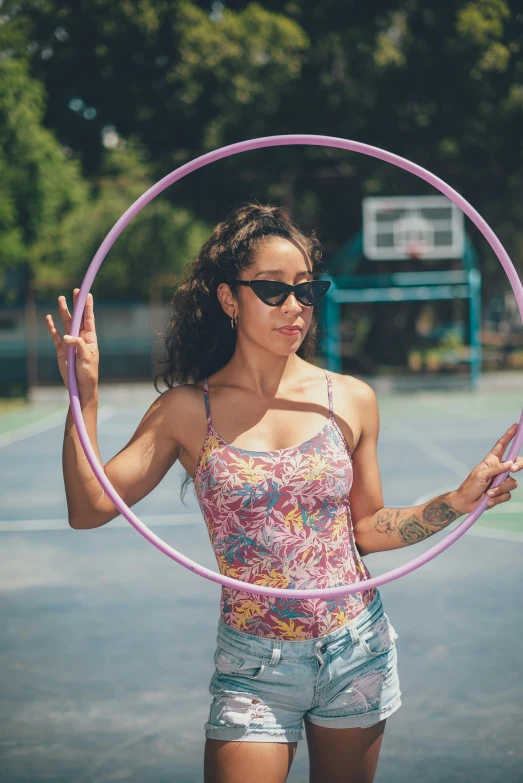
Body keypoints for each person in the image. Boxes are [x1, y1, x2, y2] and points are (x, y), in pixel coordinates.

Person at [46, 202, 520, 783]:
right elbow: (89, 508)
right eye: (272, 290)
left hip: (355, 649)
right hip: (253, 662)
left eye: (306, 290)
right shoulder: (186, 412)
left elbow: (365, 529)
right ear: (228, 299)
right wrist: (83, 395)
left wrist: (458, 500)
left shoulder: (350, 398)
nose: (294, 307)